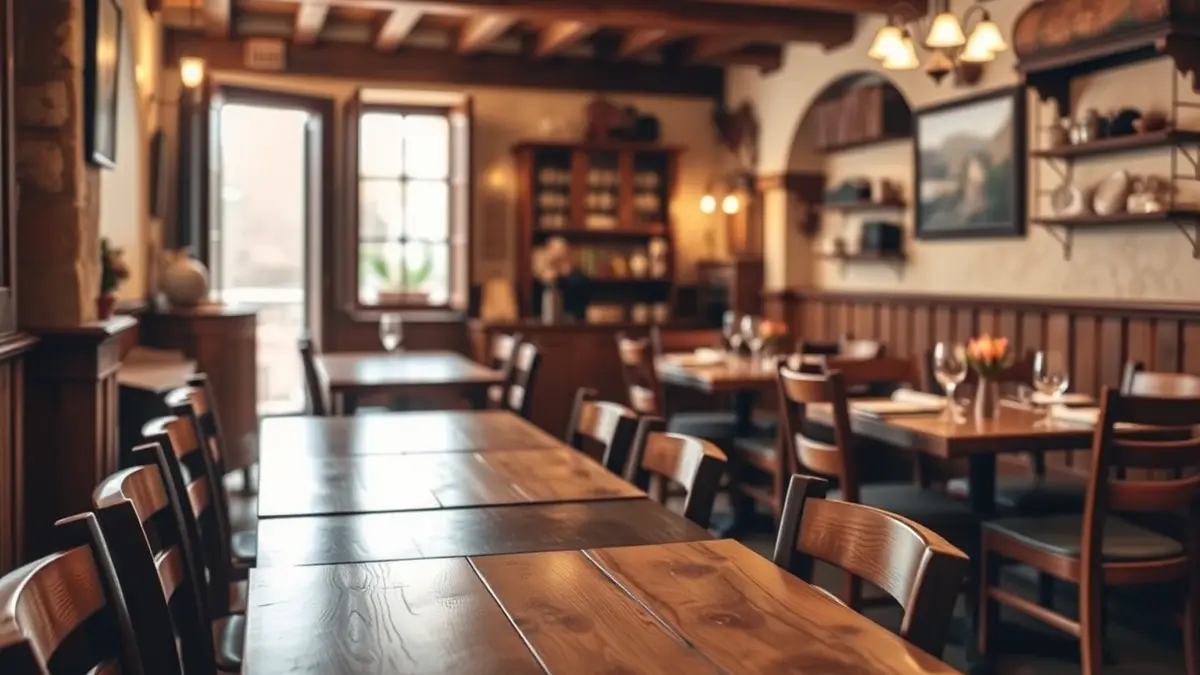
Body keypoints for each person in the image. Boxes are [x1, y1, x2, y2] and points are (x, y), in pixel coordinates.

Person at [533, 237, 589, 320]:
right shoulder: (538, 274)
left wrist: (565, 276)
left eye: (562, 255)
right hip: (542, 317)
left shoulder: (577, 277)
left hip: (571, 318)